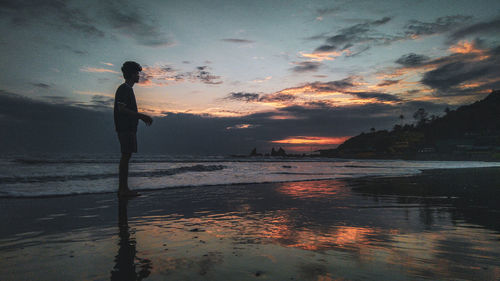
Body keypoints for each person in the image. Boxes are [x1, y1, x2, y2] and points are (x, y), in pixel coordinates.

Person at [114, 61, 153, 197]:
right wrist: (141, 116)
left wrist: (139, 117)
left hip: (128, 128)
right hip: (124, 128)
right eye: (137, 73)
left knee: (127, 156)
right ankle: (122, 190)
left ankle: (124, 189)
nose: (138, 76)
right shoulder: (124, 89)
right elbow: (121, 109)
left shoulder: (128, 89)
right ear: (131, 74)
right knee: (125, 156)